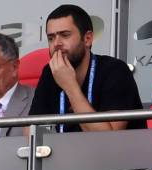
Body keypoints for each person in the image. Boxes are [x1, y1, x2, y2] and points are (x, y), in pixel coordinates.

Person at [29, 4, 145, 132]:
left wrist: (70, 87)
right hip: (65, 151)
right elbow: (32, 130)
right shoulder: (50, 72)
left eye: (65, 35)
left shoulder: (115, 70)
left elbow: (108, 138)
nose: (56, 43)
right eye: (51, 38)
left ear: (88, 39)